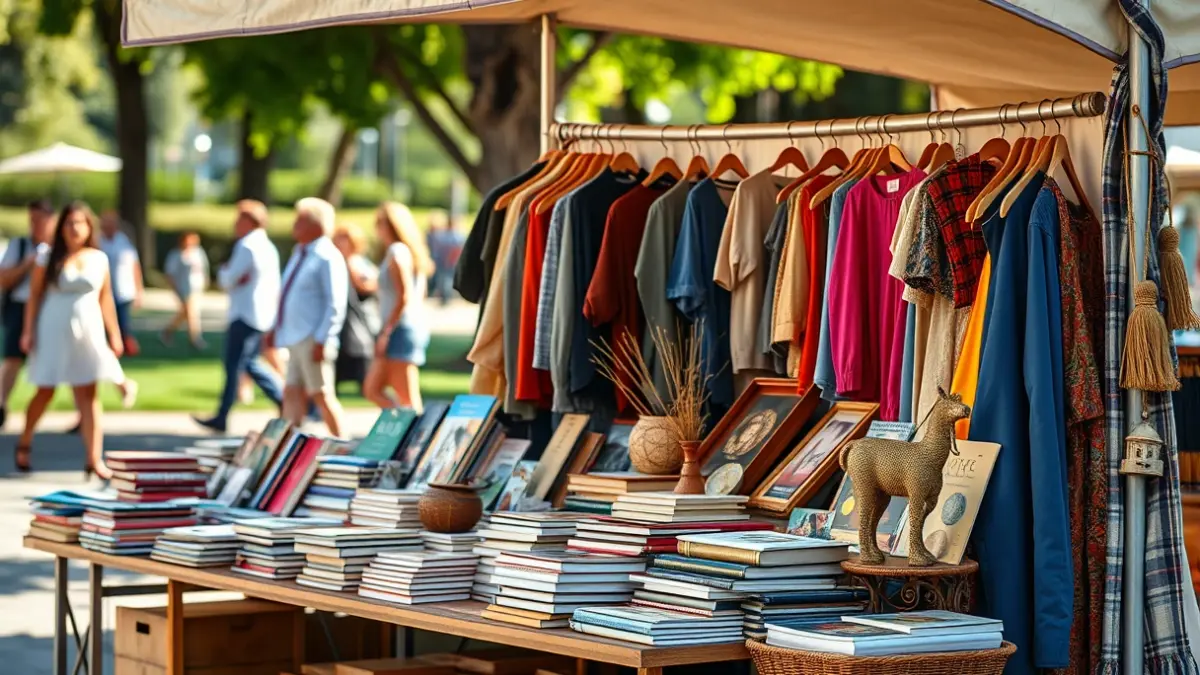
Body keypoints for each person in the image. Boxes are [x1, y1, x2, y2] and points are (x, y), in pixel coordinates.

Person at [17, 202, 134, 477]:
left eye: (80, 223)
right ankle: (24, 442)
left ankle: (94, 458)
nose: (74, 228)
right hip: (53, 328)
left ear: (89, 227)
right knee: (46, 389)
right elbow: (34, 296)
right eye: (69, 223)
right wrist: (28, 331)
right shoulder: (48, 256)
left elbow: (106, 299)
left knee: (88, 393)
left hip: (88, 328)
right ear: (62, 227)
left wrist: (115, 334)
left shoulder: (98, 258)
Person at [194, 200, 283, 434]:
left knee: (236, 364)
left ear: (249, 222)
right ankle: (281, 398)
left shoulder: (247, 245)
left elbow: (228, 279)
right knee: (248, 362)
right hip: (262, 313)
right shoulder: (269, 247)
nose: (235, 224)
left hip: (244, 313)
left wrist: (224, 271)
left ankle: (225, 414)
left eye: (239, 219)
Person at [266, 198, 348, 436]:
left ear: (316, 225)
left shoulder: (327, 256)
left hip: (313, 337)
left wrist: (323, 339)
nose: (295, 225)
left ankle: (342, 441)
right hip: (294, 335)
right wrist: (276, 327)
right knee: (291, 391)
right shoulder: (300, 252)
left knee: (321, 393)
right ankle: (289, 444)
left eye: (300, 220)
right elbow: (287, 293)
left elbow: (335, 303)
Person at [364, 202, 433, 412]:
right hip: (405, 326)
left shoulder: (397, 252)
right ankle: (402, 425)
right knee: (373, 389)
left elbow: (404, 295)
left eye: (381, 223)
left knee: (408, 400)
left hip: (399, 328)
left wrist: (386, 332)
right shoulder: (409, 253)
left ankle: (415, 428)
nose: (377, 228)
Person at [0, 200, 55, 428]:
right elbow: (4, 279)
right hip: (20, 305)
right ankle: (2, 404)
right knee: (13, 357)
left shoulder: (59, 248)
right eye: (33, 220)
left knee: (57, 359)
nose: (36, 225)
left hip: (49, 308)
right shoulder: (20, 245)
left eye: (41, 219)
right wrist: (27, 264)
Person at [332, 222, 379, 391]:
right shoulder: (335, 262)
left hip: (359, 328)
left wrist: (349, 266)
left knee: (368, 385)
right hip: (341, 330)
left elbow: (370, 288)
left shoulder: (360, 264)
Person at [97, 210, 143, 353]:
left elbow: (134, 265)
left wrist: (139, 289)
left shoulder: (123, 241)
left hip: (123, 290)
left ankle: (124, 346)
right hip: (102, 290)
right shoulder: (97, 241)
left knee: (123, 323)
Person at [161, 231, 210, 349]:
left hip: (196, 287)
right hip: (183, 288)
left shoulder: (198, 252)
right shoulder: (176, 255)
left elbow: (204, 268)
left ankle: (168, 331)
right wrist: (175, 289)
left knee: (186, 313)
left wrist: (205, 281)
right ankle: (195, 338)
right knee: (191, 313)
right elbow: (170, 273)